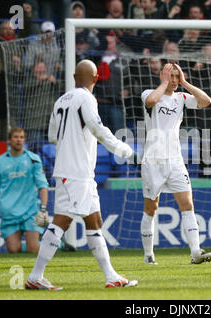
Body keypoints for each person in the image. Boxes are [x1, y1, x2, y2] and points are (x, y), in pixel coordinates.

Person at [25, 59, 138, 290]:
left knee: (94, 221)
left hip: (77, 171)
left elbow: (53, 136)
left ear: (75, 77)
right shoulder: (87, 98)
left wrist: (74, 139)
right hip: (75, 172)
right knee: (62, 221)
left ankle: (111, 276)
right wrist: (124, 149)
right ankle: (35, 276)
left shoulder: (60, 100)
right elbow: (97, 129)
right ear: (96, 79)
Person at [140, 63, 211, 265]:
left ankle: (195, 252)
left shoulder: (181, 98)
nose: (173, 80)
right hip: (153, 161)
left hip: (175, 161)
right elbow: (151, 101)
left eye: (176, 76)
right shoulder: (149, 93)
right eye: (170, 76)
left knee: (188, 204)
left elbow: (206, 101)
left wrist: (185, 82)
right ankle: (148, 255)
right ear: (162, 75)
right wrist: (164, 83)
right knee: (151, 208)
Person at [0, 127, 49, 254]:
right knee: (14, 249)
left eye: (21, 137)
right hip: (9, 212)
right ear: (9, 140)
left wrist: (43, 209)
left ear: (24, 140)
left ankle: (58, 246)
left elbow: (43, 186)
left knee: (33, 248)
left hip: (30, 211)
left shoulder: (33, 159)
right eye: (16, 137)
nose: (19, 140)